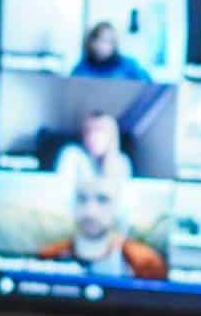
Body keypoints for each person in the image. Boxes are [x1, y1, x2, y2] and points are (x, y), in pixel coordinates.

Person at [36, 173, 167, 279]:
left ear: (118, 207)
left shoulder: (146, 263)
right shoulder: (49, 256)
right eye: (82, 199)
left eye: (102, 199)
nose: (90, 211)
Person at [55, 111, 133, 182]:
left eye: (99, 130)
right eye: (88, 131)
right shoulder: (72, 154)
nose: (92, 136)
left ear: (112, 136)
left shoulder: (122, 161)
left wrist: (109, 161)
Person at [71, 22, 150, 81]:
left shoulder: (130, 66)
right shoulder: (81, 68)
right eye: (101, 40)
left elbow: (149, 86)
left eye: (109, 41)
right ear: (92, 43)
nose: (103, 46)